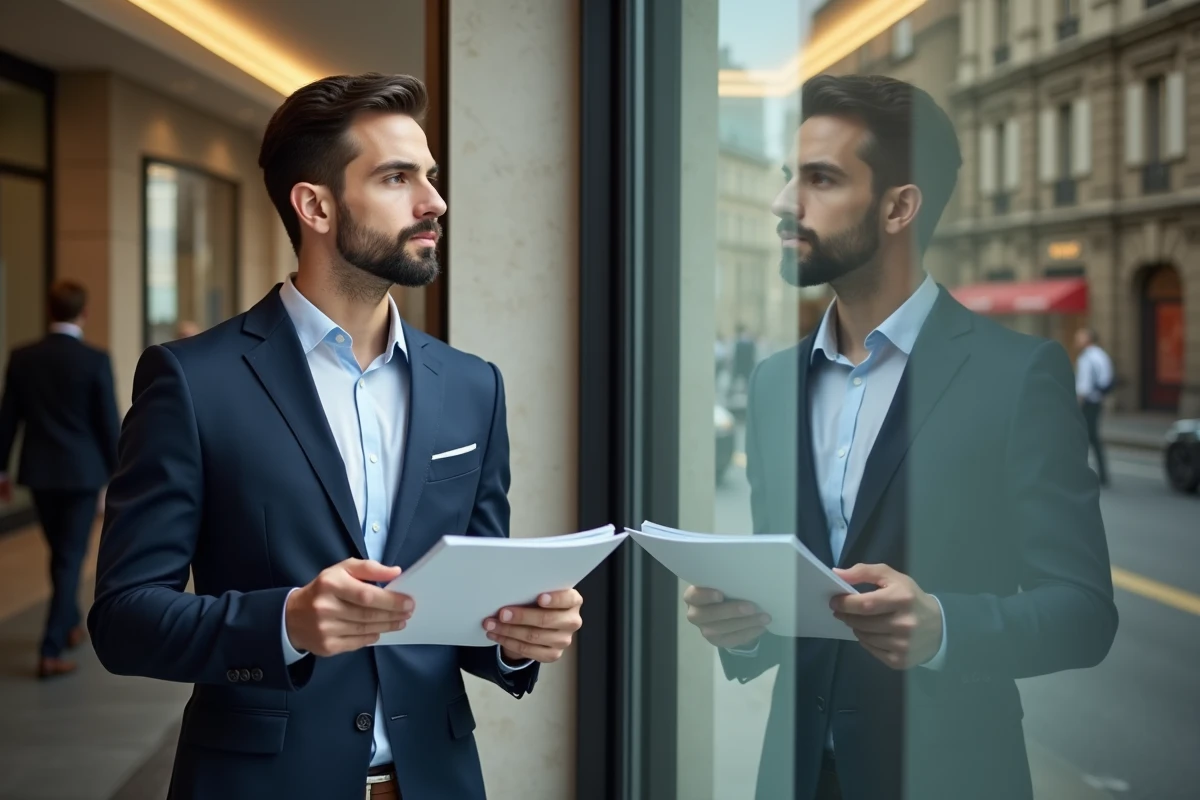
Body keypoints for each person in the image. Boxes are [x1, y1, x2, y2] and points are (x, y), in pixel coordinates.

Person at [87, 73, 584, 800]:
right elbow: (124, 620)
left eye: (431, 177)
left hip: (436, 782)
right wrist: (286, 620)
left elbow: (466, 604)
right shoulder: (192, 382)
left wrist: (513, 640)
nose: (434, 201)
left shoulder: (474, 386)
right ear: (315, 205)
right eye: (396, 177)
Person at [682, 75, 1117, 800]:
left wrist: (945, 627)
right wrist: (745, 625)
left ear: (899, 207)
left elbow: (1084, 612)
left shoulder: (1018, 376)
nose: (784, 202)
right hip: (795, 778)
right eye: (792, 176)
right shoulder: (772, 384)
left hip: (950, 776)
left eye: (820, 179)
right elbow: (795, 590)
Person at [0, 279, 120, 679]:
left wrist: (1, 468)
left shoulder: (23, 357)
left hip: (39, 473)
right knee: (70, 556)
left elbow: (8, 420)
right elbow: (107, 424)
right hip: (82, 474)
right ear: (83, 313)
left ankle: (69, 624)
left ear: (49, 311)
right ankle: (51, 647)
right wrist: (120, 474)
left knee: (62, 554)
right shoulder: (94, 360)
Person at [1075, 327, 1114, 486]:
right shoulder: (1101, 355)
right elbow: (1107, 379)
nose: (1076, 341)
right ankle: (1102, 474)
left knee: (1083, 438)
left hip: (1088, 403)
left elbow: (1083, 388)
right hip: (1097, 401)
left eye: (1079, 337)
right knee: (1091, 437)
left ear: (1087, 339)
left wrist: (1076, 406)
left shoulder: (1086, 358)